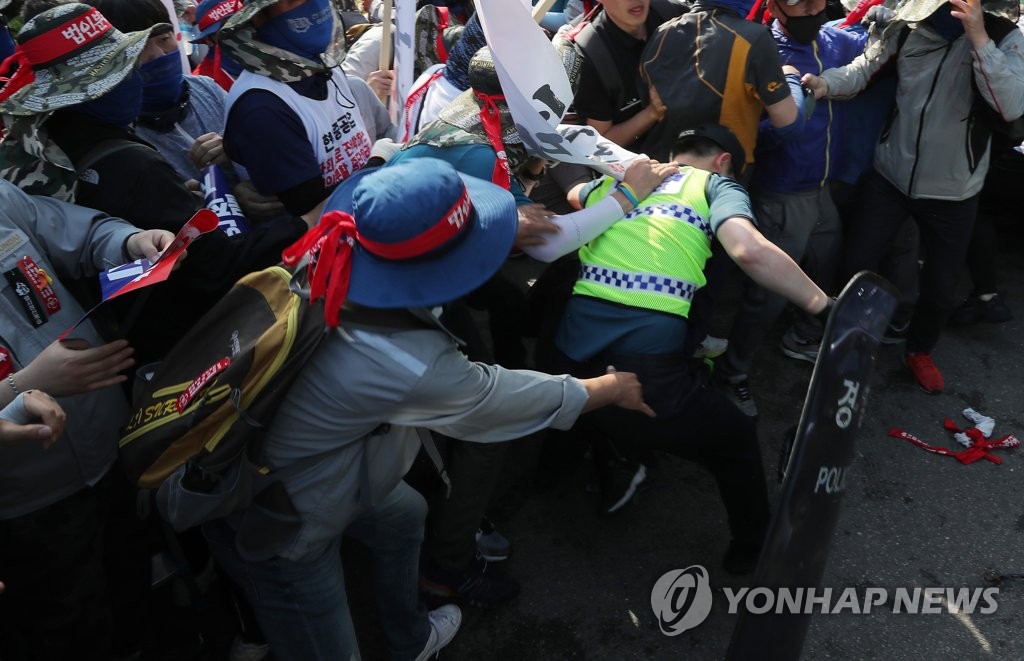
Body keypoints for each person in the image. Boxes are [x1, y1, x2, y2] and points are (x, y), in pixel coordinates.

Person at [203, 158, 654, 661]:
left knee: (406, 515)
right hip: (284, 514)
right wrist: (608, 388)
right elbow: (494, 400)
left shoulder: (331, 251)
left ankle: (410, 636)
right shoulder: (402, 358)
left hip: (320, 458)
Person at [549, 123, 830, 563]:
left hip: (568, 350)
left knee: (589, 411)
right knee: (735, 437)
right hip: (641, 361)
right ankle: (754, 551)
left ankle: (573, 470)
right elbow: (749, 251)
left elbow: (573, 195)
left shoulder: (627, 178)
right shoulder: (716, 185)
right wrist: (824, 307)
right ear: (723, 162)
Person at [801, 0, 1024, 392]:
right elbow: (863, 69)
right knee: (856, 261)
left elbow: (1010, 106)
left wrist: (978, 39)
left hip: (955, 190)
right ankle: (839, 339)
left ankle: (919, 350)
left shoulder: (1004, 38)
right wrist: (827, 83)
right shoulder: (908, 26)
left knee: (939, 286)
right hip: (892, 174)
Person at [0, 175, 173, 660]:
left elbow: (77, 232)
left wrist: (131, 240)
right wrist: (23, 384)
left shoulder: (2, 199)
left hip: (109, 442)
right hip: (30, 498)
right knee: (66, 624)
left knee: (132, 584)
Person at [713, 0, 865, 416]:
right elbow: (752, 131)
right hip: (781, 193)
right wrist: (794, 111)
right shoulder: (765, 52)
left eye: (818, 0)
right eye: (798, 1)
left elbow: (872, 49)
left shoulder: (835, 40)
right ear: (775, 6)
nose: (812, 8)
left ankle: (802, 337)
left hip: (821, 189)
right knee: (769, 293)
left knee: (826, 262)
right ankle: (732, 372)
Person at [219, 0, 395, 227]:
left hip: (373, 217)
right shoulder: (262, 108)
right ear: (259, 17)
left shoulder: (322, 66)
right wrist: (380, 162)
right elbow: (315, 218)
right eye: (294, 0)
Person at [638, 0, 816, 171]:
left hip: (659, 171)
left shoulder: (662, 32)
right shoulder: (755, 37)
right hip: (717, 178)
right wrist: (791, 77)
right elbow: (789, 124)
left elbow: (650, 103)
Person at [562, 0, 689, 149]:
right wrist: (652, 112)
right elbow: (601, 143)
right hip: (647, 160)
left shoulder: (674, 14)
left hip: (700, 133)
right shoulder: (590, 57)